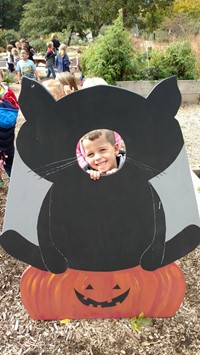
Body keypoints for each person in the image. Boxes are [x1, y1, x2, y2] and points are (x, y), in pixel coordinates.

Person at [0, 70, 19, 185]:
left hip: (6, 132)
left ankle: (16, 180)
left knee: (8, 157)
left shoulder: (8, 93)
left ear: (1, 78)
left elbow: (15, 108)